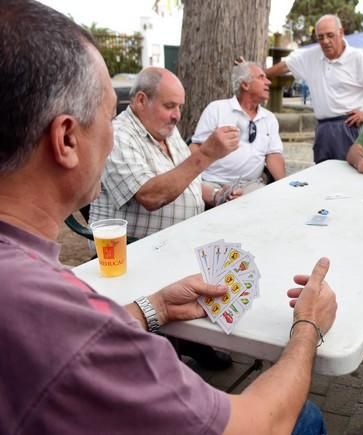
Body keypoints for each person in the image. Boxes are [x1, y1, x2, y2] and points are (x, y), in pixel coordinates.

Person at [0, 3, 337, 434]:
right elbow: (260, 424)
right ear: (66, 138)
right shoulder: (64, 318)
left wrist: (153, 306)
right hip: (145, 256)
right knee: (306, 417)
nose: (111, 132)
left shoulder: (36, 291)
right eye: (107, 116)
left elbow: (66, 341)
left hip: (170, 267)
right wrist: (307, 329)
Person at [89, 67, 241, 241]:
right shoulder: (117, 135)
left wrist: (216, 195)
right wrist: (205, 154)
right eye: (169, 106)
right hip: (133, 251)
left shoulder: (167, 131)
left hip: (179, 242)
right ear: (141, 100)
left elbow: (185, 182)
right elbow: (150, 196)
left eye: (179, 107)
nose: (177, 116)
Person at [264, 14, 363, 163]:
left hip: (347, 127)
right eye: (320, 37)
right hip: (322, 128)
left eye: (330, 35)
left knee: (346, 176)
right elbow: (285, 65)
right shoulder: (311, 56)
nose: (325, 41)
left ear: (341, 33)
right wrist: (259, 74)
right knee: (321, 175)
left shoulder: (357, 58)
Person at [191, 62, 285, 192]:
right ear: (245, 85)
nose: (268, 82)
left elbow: (273, 155)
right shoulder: (217, 109)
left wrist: (285, 186)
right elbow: (196, 147)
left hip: (251, 185)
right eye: (261, 77)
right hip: (213, 183)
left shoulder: (269, 118)